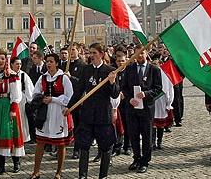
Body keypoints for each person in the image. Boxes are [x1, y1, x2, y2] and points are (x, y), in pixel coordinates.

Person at [64, 43, 119, 179]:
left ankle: (103, 176)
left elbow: (115, 94)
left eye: (94, 53)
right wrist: (70, 106)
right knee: (84, 145)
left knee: (105, 146)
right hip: (88, 113)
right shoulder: (86, 70)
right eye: (90, 53)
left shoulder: (110, 71)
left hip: (103, 114)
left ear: (101, 54)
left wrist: (112, 82)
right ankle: (82, 175)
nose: (91, 56)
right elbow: (79, 91)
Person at [30, 53, 74, 179]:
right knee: (40, 141)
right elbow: (35, 93)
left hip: (59, 113)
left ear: (56, 63)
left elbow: (69, 97)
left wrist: (54, 99)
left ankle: (59, 172)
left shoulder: (63, 78)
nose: (48, 64)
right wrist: (40, 99)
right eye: (47, 61)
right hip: (45, 113)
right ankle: (36, 171)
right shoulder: (43, 78)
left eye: (51, 61)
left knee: (60, 143)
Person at [120, 45, 163, 173]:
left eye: (142, 53)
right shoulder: (129, 69)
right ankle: (136, 158)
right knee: (133, 135)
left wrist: (146, 94)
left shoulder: (154, 70)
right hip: (132, 108)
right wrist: (129, 98)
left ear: (146, 54)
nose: (139, 56)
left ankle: (145, 160)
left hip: (147, 108)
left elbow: (158, 89)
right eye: (137, 53)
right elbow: (124, 87)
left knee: (146, 136)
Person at [62, 43, 87, 159]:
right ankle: (61, 147)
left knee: (77, 125)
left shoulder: (82, 66)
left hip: (77, 98)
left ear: (78, 50)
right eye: (69, 50)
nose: (71, 52)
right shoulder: (65, 65)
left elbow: (82, 84)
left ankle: (77, 149)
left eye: (73, 50)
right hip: (65, 98)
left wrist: (71, 78)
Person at [151, 55, 174, 150]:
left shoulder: (165, 76)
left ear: (161, 65)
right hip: (152, 101)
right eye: (152, 64)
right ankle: (152, 142)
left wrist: (168, 103)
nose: (154, 66)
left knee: (160, 124)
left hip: (161, 102)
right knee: (152, 124)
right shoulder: (149, 74)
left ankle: (159, 140)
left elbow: (169, 90)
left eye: (156, 64)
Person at [10, 56, 34, 144]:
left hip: (21, 99)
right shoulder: (8, 75)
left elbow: (29, 89)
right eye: (17, 64)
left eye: (20, 64)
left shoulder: (24, 75)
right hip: (10, 99)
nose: (19, 66)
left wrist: (30, 101)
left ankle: (22, 138)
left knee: (21, 119)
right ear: (12, 65)